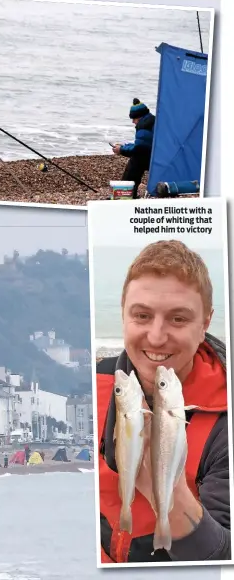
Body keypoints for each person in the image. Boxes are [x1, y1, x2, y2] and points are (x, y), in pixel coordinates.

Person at [97, 240, 229, 563]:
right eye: (141, 315)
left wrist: (170, 491)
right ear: (123, 313)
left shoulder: (225, 426)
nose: (156, 337)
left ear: (205, 324)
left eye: (178, 319)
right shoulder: (95, 383)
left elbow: (224, 557)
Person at [112, 98, 156, 199]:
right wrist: (124, 146)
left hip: (153, 158)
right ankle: (127, 193)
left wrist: (121, 150)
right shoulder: (151, 120)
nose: (133, 122)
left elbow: (140, 149)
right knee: (138, 157)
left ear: (139, 117)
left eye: (134, 119)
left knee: (136, 161)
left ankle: (125, 194)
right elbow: (143, 144)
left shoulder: (144, 125)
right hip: (158, 154)